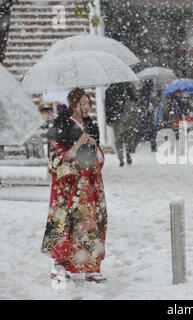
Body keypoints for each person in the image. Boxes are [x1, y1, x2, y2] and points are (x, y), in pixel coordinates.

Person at [41, 88, 108, 284]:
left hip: (88, 183)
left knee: (90, 223)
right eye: (82, 103)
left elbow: (99, 159)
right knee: (65, 225)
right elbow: (56, 157)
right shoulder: (61, 124)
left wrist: (95, 147)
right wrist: (78, 144)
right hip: (68, 184)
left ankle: (91, 268)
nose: (86, 107)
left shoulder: (91, 125)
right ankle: (60, 268)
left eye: (89, 103)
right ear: (73, 104)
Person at [105, 82, 137, 167]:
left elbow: (107, 106)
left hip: (115, 117)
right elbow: (134, 99)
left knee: (118, 139)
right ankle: (128, 152)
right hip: (127, 115)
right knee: (128, 137)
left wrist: (108, 119)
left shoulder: (109, 89)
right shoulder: (127, 86)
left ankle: (121, 158)